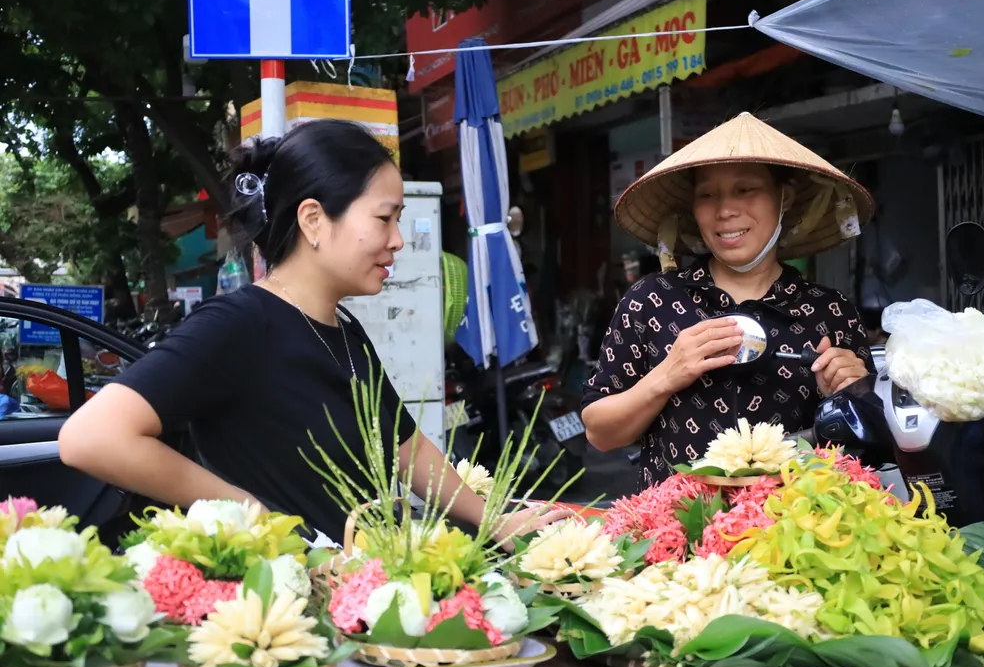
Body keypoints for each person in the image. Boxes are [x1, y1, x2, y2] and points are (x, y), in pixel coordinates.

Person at [59, 119, 562, 542]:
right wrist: (252, 513)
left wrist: (495, 521)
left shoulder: (345, 329)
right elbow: (91, 436)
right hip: (280, 606)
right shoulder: (240, 324)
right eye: (384, 218)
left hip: (358, 599)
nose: (398, 241)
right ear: (314, 219)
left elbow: (406, 448)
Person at [581, 113, 876, 489]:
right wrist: (667, 375)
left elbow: (870, 449)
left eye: (745, 189)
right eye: (707, 195)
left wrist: (850, 395)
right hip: (675, 523)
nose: (724, 211)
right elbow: (600, 434)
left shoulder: (829, 311)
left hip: (794, 521)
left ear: (784, 198)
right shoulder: (652, 300)